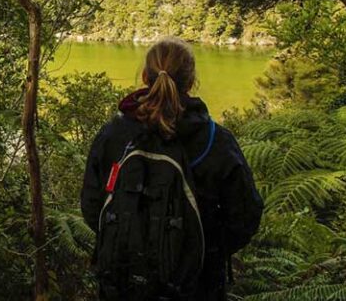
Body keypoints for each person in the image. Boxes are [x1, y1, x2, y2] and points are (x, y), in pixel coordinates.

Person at [80, 37, 263, 300]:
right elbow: (245, 217)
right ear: (191, 81)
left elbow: (91, 205)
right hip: (197, 285)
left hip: (123, 282)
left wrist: (130, 241)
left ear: (145, 76)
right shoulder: (216, 140)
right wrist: (203, 250)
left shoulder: (115, 135)